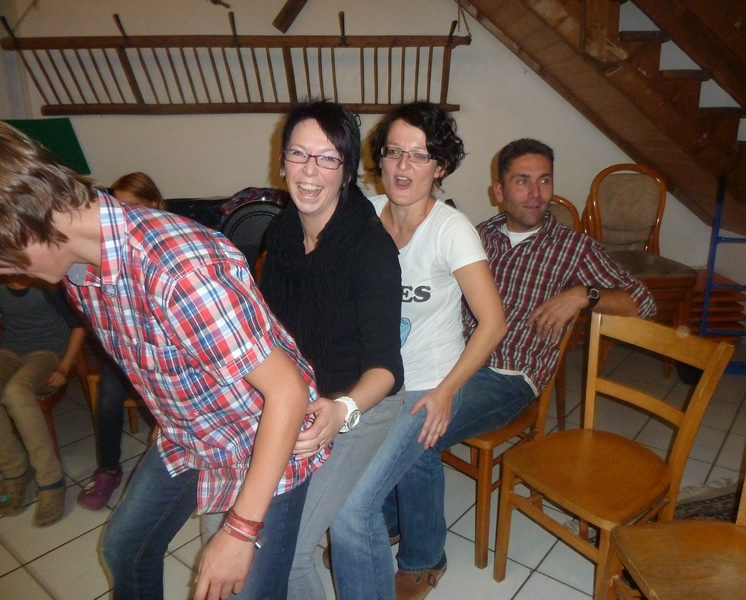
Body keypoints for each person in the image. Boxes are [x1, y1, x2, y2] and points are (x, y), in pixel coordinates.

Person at [0, 121, 328, 600]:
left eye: (4, 257)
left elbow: (287, 392)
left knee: (249, 589)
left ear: (30, 225)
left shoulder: (178, 268)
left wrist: (240, 529)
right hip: (188, 432)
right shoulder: (76, 265)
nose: (5, 271)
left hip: (266, 437)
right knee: (124, 549)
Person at [374, 137, 658, 599]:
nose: (535, 193)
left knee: (419, 430)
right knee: (383, 408)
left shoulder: (572, 247)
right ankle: (392, 518)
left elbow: (643, 301)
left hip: (508, 377)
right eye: (522, 181)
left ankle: (424, 560)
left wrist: (582, 294)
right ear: (499, 191)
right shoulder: (476, 233)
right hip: (453, 360)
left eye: (544, 181)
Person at [327, 101, 508, 599]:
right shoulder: (362, 214)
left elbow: (493, 323)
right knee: (353, 481)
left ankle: (417, 559)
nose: (404, 166)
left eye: (420, 155)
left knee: (353, 503)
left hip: (428, 382)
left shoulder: (451, 230)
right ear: (380, 159)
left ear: (440, 166)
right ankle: (388, 544)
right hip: (372, 377)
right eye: (394, 152)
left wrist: (447, 392)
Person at [253, 99, 404, 600]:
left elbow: (387, 368)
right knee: (249, 522)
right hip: (299, 396)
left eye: (327, 158)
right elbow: (268, 331)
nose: (310, 171)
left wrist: (340, 410)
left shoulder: (369, 247)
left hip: (362, 402)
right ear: (281, 164)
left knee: (288, 551)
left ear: (347, 170)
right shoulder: (282, 232)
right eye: (299, 154)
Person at [77, 172, 164, 511]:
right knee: (109, 398)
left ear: (154, 205)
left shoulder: (164, 246)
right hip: (124, 347)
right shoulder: (106, 247)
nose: (123, 215)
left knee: (164, 400)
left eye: (132, 206)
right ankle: (108, 469)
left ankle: (170, 464)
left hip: (162, 350)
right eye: (117, 207)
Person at [0, 275, 86, 527]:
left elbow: (79, 326)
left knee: (15, 392)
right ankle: (14, 469)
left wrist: (64, 367)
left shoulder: (46, 284)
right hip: (10, 349)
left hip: (48, 351)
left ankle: (51, 480)